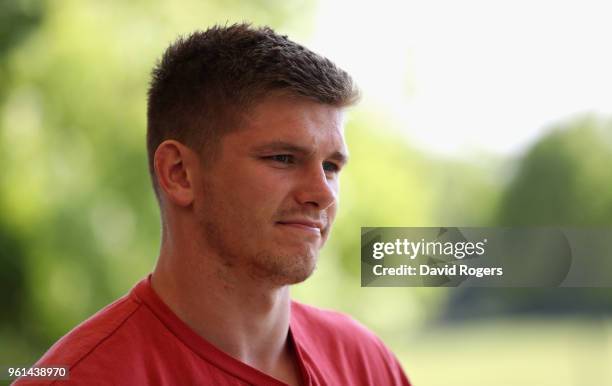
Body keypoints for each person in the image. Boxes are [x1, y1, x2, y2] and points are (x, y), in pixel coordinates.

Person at [16, 24, 411, 385]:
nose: (322, 192)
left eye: (331, 166)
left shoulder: (365, 362)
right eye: (283, 159)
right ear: (179, 173)